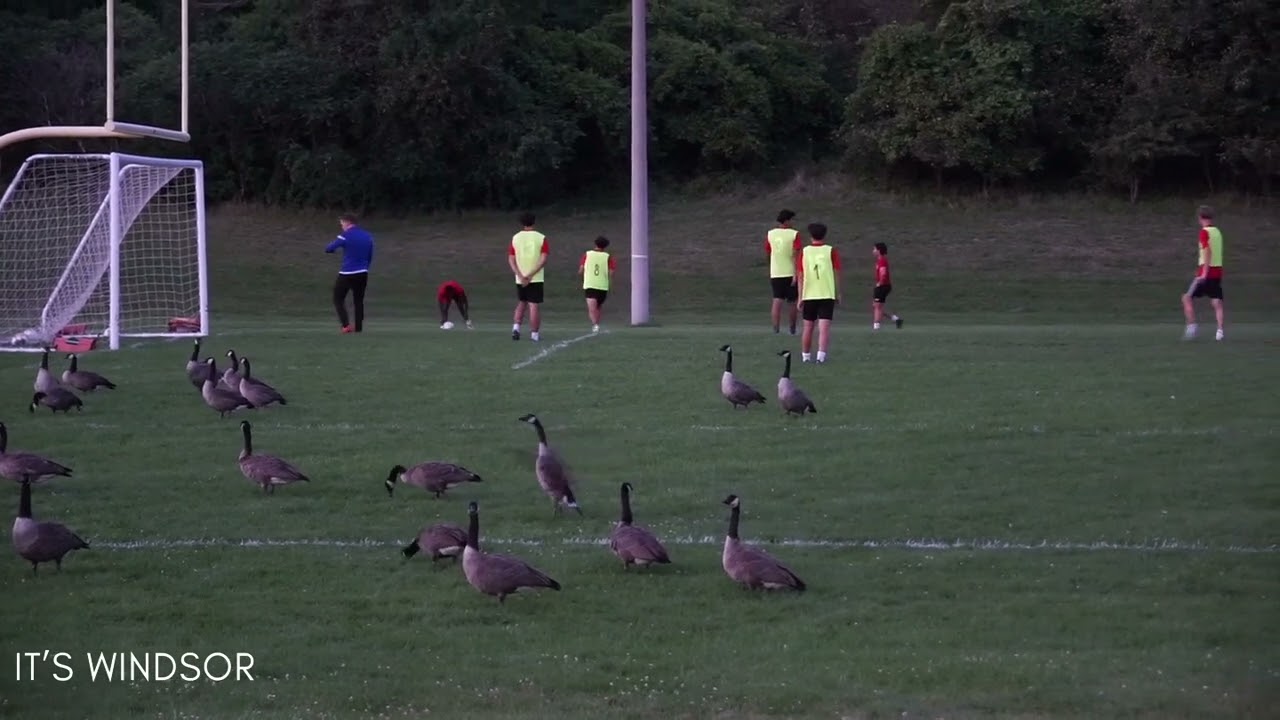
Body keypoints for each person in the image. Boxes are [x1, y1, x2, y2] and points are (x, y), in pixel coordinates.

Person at [795, 222, 842, 364]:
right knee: (824, 328)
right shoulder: (831, 251)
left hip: (809, 294)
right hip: (826, 293)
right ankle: (820, 357)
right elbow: (836, 274)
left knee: (808, 327)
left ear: (811, 236)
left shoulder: (805, 251)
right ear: (824, 235)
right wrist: (838, 292)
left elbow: (801, 275)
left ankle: (806, 357)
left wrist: (800, 297)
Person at [1182, 205, 1225, 341]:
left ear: (1200, 218)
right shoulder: (1217, 232)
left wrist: (1204, 273)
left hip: (1205, 272)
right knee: (1217, 302)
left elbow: (1207, 251)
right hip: (1217, 272)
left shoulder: (1204, 232)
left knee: (1186, 298)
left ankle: (1192, 327)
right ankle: (1220, 332)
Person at [324, 214, 374, 333]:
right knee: (358, 300)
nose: (342, 226)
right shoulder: (367, 236)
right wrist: (365, 267)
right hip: (363, 272)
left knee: (338, 298)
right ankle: (359, 328)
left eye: (342, 224)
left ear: (347, 222)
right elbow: (370, 255)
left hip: (347, 272)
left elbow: (329, 248)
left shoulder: (345, 235)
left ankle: (346, 325)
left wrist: (332, 251)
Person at [508, 212, 549, 342]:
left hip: (520, 278)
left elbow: (511, 259)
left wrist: (520, 275)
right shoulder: (541, 238)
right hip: (535, 277)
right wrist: (530, 275)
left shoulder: (515, 238)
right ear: (534, 222)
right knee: (533, 305)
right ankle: (534, 334)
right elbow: (543, 259)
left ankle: (516, 328)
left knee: (522, 302)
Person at [765, 209, 803, 335]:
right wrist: (797, 272)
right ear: (787, 221)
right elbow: (797, 254)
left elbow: (769, 251)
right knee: (792, 302)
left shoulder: (771, 234)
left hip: (776, 272)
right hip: (790, 272)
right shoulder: (794, 234)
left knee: (777, 300)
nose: (793, 222)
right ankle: (792, 329)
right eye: (792, 220)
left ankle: (775, 329)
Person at [578, 236, 617, 333]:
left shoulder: (587, 255)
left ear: (595, 244)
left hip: (590, 284)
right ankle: (596, 325)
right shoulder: (608, 257)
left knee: (592, 308)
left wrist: (583, 275)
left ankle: (595, 324)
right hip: (602, 285)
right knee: (597, 307)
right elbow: (611, 272)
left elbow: (581, 270)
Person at [872, 242, 903, 330]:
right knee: (877, 306)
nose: (873, 251)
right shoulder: (880, 260)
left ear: (879, 250)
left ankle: (876, 327)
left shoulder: (882, 260)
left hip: (883, 286)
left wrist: (880, 283)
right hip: (883, 286)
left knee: (877, 306)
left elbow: (883, 273)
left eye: (874, 249)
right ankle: (897, 320)